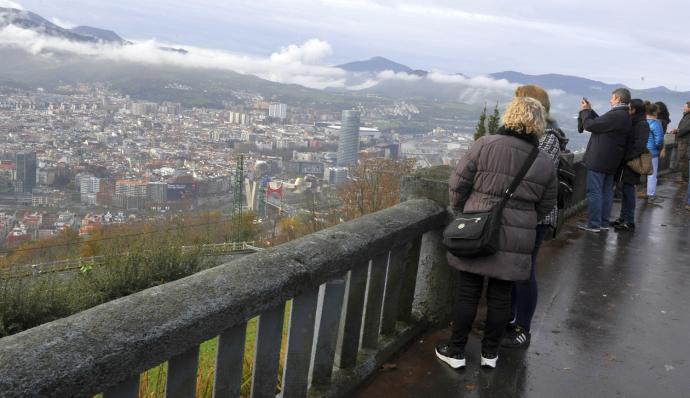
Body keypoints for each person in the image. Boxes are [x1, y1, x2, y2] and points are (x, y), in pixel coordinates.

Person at [436, 97, 557, 370]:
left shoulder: (485, 145)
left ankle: (455, 351)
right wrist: (523, 221)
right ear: (538, 124)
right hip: (517, 237)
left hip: (477, 229)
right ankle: (490, 354)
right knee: (501, 295)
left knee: (468, 292)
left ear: (510, 116)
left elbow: (457, 184)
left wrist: (464, 212)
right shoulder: (543, 161)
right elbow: (547, 203)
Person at [502, 85, 565, 349]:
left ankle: (522, 328)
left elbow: (537, 176)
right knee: (512, 270)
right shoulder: (541, 136)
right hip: (520, 214)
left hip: (536, 216)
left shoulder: (548, 137)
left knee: (524, 272)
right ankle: (508, 319)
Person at [577, 88, 632, 232]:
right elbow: (602, 123)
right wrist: (590, 110)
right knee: (607, 191)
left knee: (594, 192)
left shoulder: (616, 115)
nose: (610, 100)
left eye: (612, 98)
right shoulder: (624, 115)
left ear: (618, 99)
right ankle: (603, 222)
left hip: (599, 159)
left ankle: (594, 224)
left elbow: (590, 125)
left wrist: (584, 111)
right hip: (612, 160)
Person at [611, 99, 650, 231]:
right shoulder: (637, 122)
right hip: (627, 163)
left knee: (629, 191)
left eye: (629, 108)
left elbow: (639, 146)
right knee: (625, 191)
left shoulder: (641, 124)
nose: (627, 110)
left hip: (631, 163)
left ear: (634, 110)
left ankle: (630, 221)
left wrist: (626, 158)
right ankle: (623, 218)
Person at [645, 102, 665, 203]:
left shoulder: (642, 121)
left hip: (641, 151)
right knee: (652, 174)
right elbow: (659, 140)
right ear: (654, 112)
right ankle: (651, 195)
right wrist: (660, 149)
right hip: (652, 152)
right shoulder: (656, 123)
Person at [670, 101, 690, 183]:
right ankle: (684, 177)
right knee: (682, 159)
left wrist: (677, 131)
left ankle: (685, 178)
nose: (683, 108)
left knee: (683, 159)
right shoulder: (686, 116)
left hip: (685, 141)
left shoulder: (688, 116)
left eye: (685, 107)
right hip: (683, 140)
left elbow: (686, 128)